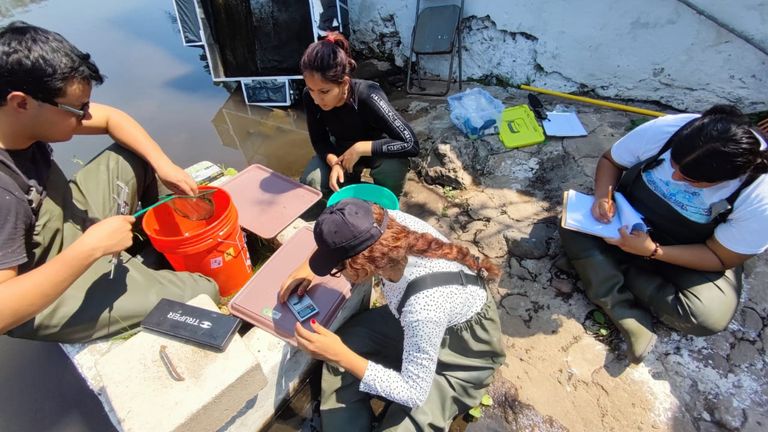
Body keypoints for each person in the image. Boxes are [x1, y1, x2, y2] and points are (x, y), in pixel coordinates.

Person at [0, 21, 219, 342]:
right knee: (202, 293)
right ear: (22, 103)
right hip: (43, 286)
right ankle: (130, 268)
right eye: (77, 109)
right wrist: (91, 248)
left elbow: (113, 119)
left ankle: (153, 248)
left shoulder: (19, 119)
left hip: (68, 222)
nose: (87, 116)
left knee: (138, 154)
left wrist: (164, 165)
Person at [559, 105, 768, 362]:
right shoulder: (671, 129)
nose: (674, 176)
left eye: (691, 180)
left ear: (728, 178)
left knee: (707, 316)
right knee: (571, 221)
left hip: (688, 250)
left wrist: (653, 251)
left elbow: (722, 257)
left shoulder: (759, 195)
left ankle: (601, 267)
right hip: (625, 221)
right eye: (674, 163)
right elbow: (611, 160)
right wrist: (603, 196)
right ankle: (622, 309)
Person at [279, 198, 505, 431]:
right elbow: (349, 235)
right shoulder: (386, 227)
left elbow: (413, 392)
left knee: (397, 420)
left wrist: (341, 356)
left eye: (336, 268)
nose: (332, 273)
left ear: (363, 266)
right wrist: (308, 268)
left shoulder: (424, 307)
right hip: (420, 325)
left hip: (461, 357)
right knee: (347, 343)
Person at [299, 32, 418, 199]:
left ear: (344, 83)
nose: (317, 99)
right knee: (312, 181)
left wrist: (360, 148)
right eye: (311, 90)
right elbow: (319, 140)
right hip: (340, 148)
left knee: (393, 167)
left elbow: (411, 143)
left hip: (375, 149)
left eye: (324, 92)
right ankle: (349, 197)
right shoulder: (309, 97)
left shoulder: (368, 95)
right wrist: (334, 163)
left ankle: (386, 203)